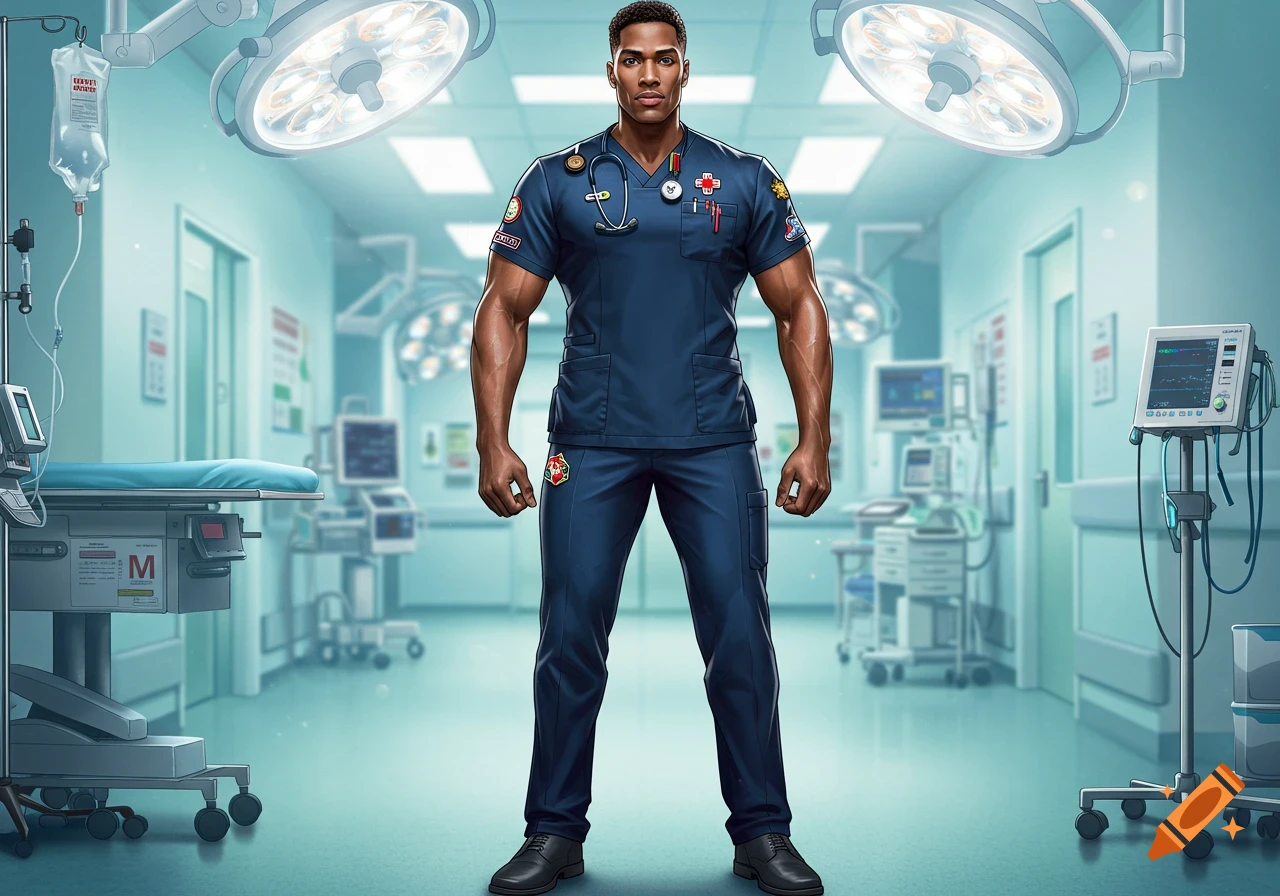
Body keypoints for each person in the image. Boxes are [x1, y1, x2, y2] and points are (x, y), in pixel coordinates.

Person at [470, 4, 833, 894]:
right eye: (630, 60)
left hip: (712, 439)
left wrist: (813, 439)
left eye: (663, 59)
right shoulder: (558, 182)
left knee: (740, 638)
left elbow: (800, 307)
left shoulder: (743, 182)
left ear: (683, 70)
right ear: (610, 72)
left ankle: (763, 834)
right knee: (569, 641)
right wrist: (493, 442)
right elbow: (503, 311)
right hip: (591, 441)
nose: (647, 75)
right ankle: (553, 833)